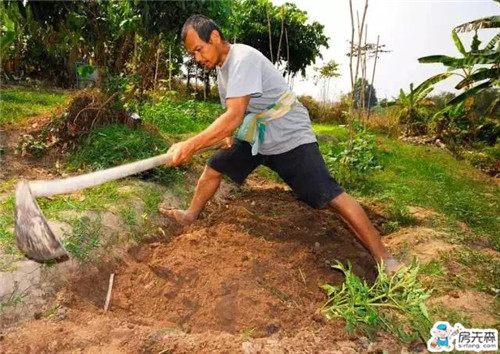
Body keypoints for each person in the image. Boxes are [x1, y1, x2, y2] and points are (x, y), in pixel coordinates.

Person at [161, 14, 399, 274]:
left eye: (199, 49)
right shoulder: (222, 69)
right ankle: (190, 214)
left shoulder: (243, 59)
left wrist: (191, 144)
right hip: (258, 135)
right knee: (216, 165)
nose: (198, 58)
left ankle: (385, 259)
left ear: (215, 37)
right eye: (193, 54)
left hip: (288, 134)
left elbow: (233, 116)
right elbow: (234, 117)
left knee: (329, 195)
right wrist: (224, 137)